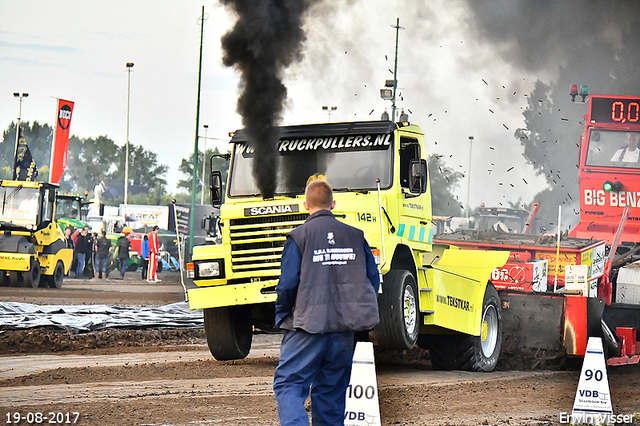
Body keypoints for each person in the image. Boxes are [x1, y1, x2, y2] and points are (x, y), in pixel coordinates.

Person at [272, 178, 380, 426]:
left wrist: (283, 315)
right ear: (333, 204)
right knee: (331, 392)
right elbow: (372, 280)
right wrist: (354, 311)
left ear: (305, 205)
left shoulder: (298, 237)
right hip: (343, 329)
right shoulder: (355, 236)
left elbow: (287, 285)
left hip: (307, 326)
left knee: (289, 382)